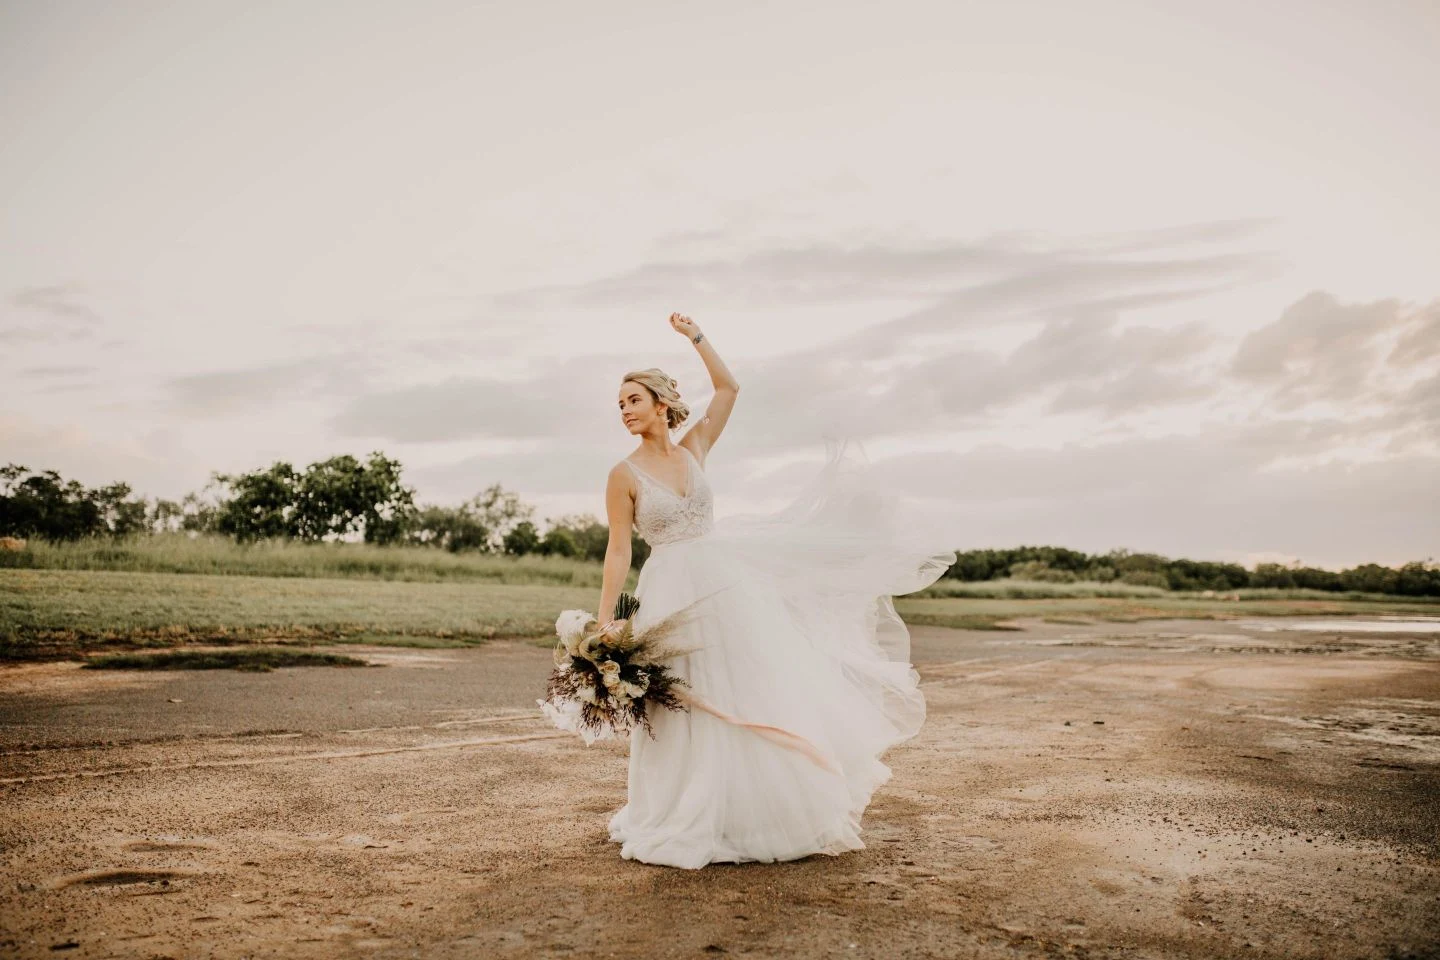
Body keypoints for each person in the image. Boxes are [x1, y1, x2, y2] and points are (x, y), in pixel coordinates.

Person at [596, 312, 956, 869]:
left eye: (633, 399)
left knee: (743, 684)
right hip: (669, 587)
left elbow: (728, 388)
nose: (624, 410)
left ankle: (749, 810)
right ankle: (677, 810)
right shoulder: (622, 475)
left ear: (661, 404)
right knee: (679, 700)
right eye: (619, 404)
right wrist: (605, 622)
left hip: (721, 584)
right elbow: (619, 550)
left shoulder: (695, 448)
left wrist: (695, 337)